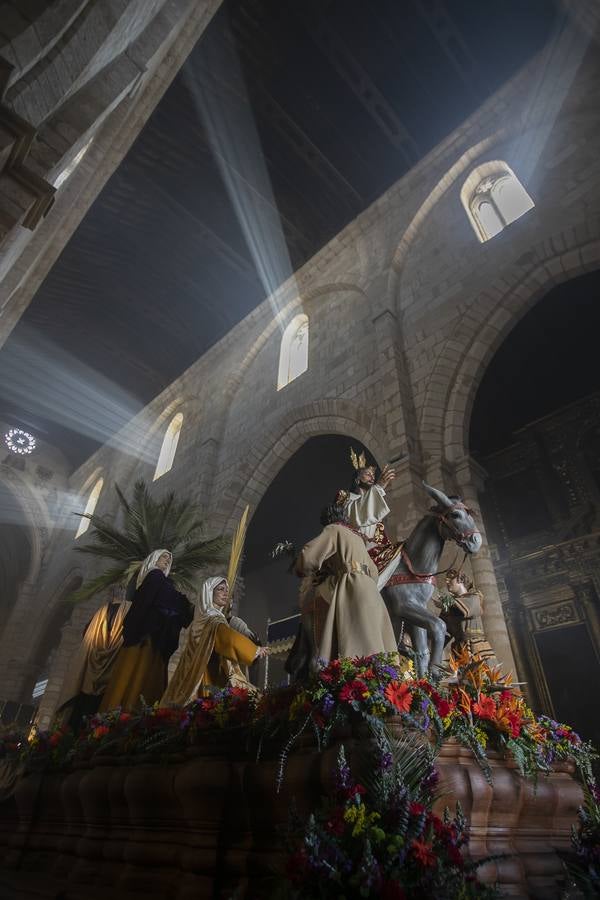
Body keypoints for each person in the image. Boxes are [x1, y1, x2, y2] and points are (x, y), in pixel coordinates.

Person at [294, 499, 398, 663]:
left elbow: (309, 557)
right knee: (374, 638)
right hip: (371, 589)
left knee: (355, 639)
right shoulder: (358, 538)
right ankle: (382, 674)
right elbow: (374, 572)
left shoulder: (333, 529)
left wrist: (299, 567)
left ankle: (355, 677)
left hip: (352, 584)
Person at [99, 550, 193, 712]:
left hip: (151, 635)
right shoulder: (155, 576)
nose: (166, 560)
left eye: (169, 559)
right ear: (154, 558)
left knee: (134, 675)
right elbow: (155, 602)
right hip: (146, 637)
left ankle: (118, 711)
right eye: (164, 556)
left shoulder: (159, 580)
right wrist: (185, 606)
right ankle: (125, 711)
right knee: (137, 675)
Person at [160, 576, 267, 705]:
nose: (225, 593)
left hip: (193, 674)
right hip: (205, 676)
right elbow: (227, 638)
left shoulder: (200, 619)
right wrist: (253, 650)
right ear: (209, 593)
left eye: (227, 590)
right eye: (220, 589)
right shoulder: (212, 619)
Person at [55, 586, 130, 730]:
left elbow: (86, 633)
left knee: (80, 713)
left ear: (110, 594)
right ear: (123, 594)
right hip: (111, 669)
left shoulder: (100, 613)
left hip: (90, 670)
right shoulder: (127, 610)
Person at [338, 447, 402, 589]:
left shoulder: (373, 500)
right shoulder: (347, 498)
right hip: (358, 552)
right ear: (357, 479)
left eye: (373, 475)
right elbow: (353, 515)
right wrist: (379, 487)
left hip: (378, 550)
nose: (372, 477)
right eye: (367, 474)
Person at [439, 569, 496, 663]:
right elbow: (443, 631)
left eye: (450, 578)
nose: (447, 581)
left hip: (476, 646)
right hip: (459, 649)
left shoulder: (474, 597)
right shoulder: (449, 607)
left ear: (460, 579)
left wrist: (446, 603)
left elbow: (468, 608)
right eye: (446, 579)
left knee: (483, 675)